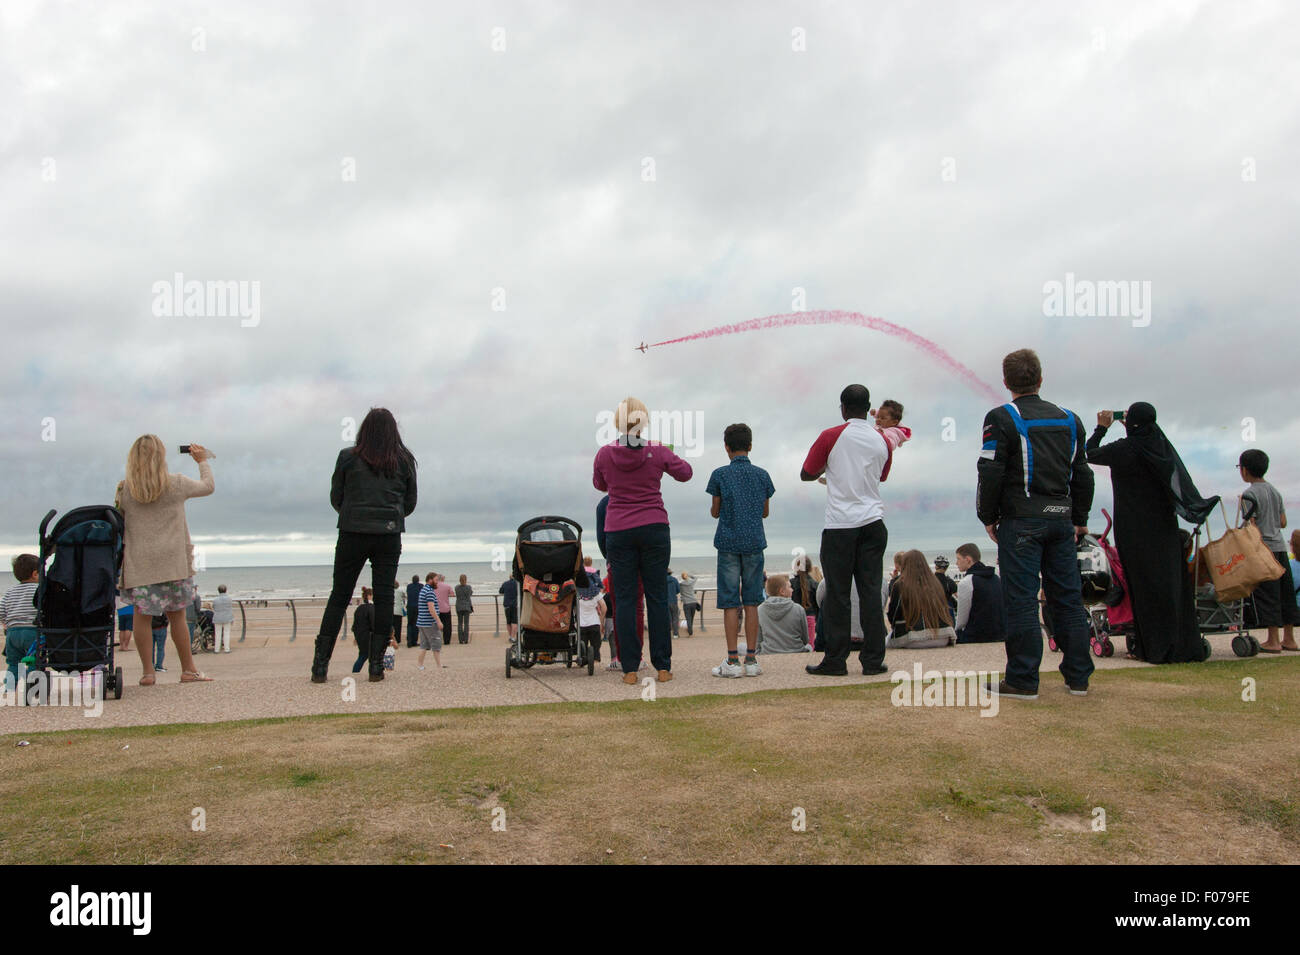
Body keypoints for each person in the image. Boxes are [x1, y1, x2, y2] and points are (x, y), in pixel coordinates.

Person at [977, 349, 1093, 699]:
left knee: (1022, 601)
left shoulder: (1001, 417)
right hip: (1061, 520)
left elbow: (990, 470)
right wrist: (1080, 519)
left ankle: (1023, 680)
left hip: (1022, 520)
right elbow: (1082, 472)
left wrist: (988, 516)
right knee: (1068, 600)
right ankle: (1078, 678)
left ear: (1006, 382)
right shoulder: (1070, 419)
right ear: (1040, 379)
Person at [1086, 403, 1219, 663]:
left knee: (1144, 589)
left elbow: (1089, 453)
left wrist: (1101, 428)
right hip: (1165, 529)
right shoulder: (1161, 448)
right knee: (1170, 586)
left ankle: (1155, 647)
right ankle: (1184, 645)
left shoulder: (1125, 450)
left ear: (1130, 422)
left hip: (1134, 529)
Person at [310, 408, 417, 684]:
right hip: (388, 534)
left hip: (352, 532)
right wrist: (389, 516)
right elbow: (410, 504)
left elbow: (337, 497)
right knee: (384, 598)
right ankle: (376, 667)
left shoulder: (348, 457)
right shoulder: (403, 461)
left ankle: (320, 666)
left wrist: (353, 516)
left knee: (340, 596)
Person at [593, 396, 693, 685]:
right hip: (654, 527)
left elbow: (600, 484)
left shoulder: (604, 453)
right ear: (644, 421)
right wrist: (665, 456)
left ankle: (630, 668)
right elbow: (686, 473)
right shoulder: (657, 450)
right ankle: (662, 666)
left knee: (624, 600)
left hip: (619, 530)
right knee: (657, 597)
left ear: (617, 423)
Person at [801, 384, 891, 677]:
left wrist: (830, 469)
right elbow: (882, 475)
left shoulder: (831, 435)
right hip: (873, 522)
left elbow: (806, 472)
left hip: (841, 524)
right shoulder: (882, 440)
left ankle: (836, 660)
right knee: (870, 592)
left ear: (843, 407)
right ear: (868, 407)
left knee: (838, 595)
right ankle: (874, 660)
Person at [115, 436, 215, 685]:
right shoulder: (176, 484)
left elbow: (119, 521)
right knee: (177, 616)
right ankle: (188, 670)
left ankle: (148, 673)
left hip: (140, 564)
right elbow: (208, 486)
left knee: (142, 616)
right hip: (173, 562)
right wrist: (202, 461)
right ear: (161, 457)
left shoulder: (125, 489)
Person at [707, 423, 774, 678]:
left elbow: (715, 511)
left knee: (729, 602)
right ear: (750, 446)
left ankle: (732, 660)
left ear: (726, 447)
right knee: (752, 601)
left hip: (727, 542)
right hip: (754, 542)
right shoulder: (762, 475)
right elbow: (765, 511)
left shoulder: (719, 475)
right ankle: (752, 659)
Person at [1238, 449, 1300, 653]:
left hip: (1264, 550)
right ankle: (1289, 638)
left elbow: (1251, 524)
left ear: (1245, 470)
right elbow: (1283, 522)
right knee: (1286, 592)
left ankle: (1273, 639)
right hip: (1281, 547)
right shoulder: (1275, 491)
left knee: (1268, 594)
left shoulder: (1249, 494)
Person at [885, 550, 956, 648]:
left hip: (913, 639)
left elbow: (893, 615)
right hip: (943, 636)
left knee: (885, 643)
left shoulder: (900, 584)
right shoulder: (935, 582)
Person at [953, 543, 1005, 643]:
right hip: (1000, 632)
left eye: (958, 559)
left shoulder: (967, 582)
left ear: (968, 559)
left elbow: (961, 620)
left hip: (977, 634)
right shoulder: (995, 577)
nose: (956, 563)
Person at [2, 554, 40, 682]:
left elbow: (1, 611)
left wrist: (6, 624)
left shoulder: (10, 592)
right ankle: (33, 685)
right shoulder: (39, 590)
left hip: (12, 634)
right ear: (35, 574)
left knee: (13, 663)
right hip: (32, 632)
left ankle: (10, 688)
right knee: (35, 661)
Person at [755, 574, 812, 654]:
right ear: (782, 591)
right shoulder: (798, 609)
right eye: (790, 587)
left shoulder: (759, 610)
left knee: (742, 647)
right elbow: (805, 640)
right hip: (796, 651)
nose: (792, 590)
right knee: (809, 647)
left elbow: (758, 640)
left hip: (768, 652)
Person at [576, 571, 607, 663]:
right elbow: (604, 608)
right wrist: (601, 621)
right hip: (594, 623)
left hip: (581, 624)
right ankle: (596, 660)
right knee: (596, 645)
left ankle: (583, 661)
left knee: (582, 647)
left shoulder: (577, 593)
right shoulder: (596, 593)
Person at [791, 555, 820, 649]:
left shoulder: (790, 583)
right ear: (810, 568)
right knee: (810, 646)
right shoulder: (815, 584)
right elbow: (819, 604)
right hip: (811, 618)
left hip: (794, 618)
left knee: (794, 646)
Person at [417, 572, 444, 669]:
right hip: (429, 622)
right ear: (430, 580)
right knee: (436, 643)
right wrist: (439, 621)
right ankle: (439, 665)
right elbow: (431, 609)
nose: (437, 583)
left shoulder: (423, 590)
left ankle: (420, 665)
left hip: (422, 622)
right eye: (436, 580)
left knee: (424, 645)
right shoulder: (429, 592)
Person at [351, 587, 375, 673]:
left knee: (363, 655)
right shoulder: (371, 608)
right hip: (368, 635)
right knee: (364, 655)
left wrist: (356, 636)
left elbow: (355, 624)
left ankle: (356, 671)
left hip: (359, 634)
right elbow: (373, 623)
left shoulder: (359, 608)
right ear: (369, 596)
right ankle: (356, 672)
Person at [212, 584, 234, 653]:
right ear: (226, 590)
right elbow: (230, 608)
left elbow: (214, 607)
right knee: (226, 633)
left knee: (217, 634)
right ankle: (227, 649)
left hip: (217, 618)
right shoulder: (229, 599)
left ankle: (216, 649)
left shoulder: (215, 600)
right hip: (227, 618)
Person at [434, 574, 454, 646]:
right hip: (445, 608)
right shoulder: (447, 586)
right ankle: (446, 641)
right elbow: (452, 594)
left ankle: (436, 640)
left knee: (436, 625)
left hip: (436, 609)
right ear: (443, 579)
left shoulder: (433, 586)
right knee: (447, 625)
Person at [678, 571, 700, 636]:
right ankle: (690, 629)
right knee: (691, 617)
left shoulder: (681, 585)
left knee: (688, 618)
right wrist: (689, 575)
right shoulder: (691, 583)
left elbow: (680, 592)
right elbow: (696, 578)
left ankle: (690, 632)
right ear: (686, 576)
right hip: (693, 602)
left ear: (682, 578)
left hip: (686, 603)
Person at [454, 574, 474, 645]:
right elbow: (470, 593)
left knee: (459, 624)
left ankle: (460, 639)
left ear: (459, 580)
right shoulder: (468, 587)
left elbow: (457, 594)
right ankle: (465, 639)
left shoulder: (456, 587)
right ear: (466, 580)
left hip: (459, 606)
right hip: (466, 606)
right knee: (466, 623)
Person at [405, 575, 422, 647]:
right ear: (418, 580)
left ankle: (409, 640)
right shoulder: (421, 586)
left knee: (409, 624)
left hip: (410, 606)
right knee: (416, 624)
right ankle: (414, 641)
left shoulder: (409, 586)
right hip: (417, 607)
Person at [665, 569, 681, 639]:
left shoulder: (661, 580)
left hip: (665, 602)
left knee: (668, 618)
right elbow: (678, 590)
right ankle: (675, 634)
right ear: (670, 573)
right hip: (674, 601)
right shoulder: (674, 580)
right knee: (675, 618)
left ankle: (667, 634)